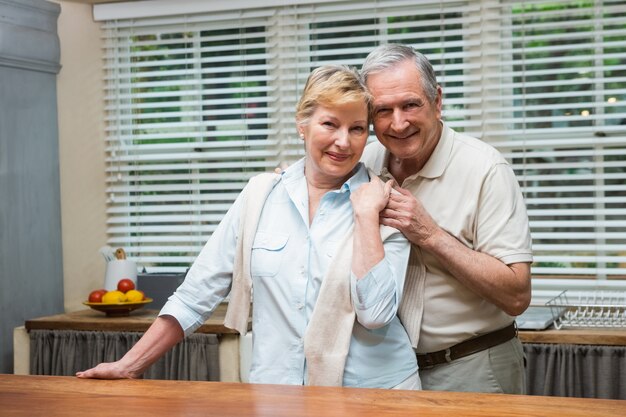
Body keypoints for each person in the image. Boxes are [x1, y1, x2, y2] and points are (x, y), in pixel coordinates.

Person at [77, 65, 419, 389]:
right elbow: (196, 294)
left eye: (357, 128)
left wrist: (364, 215)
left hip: (375, 392)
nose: (343, 142)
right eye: (330, 124)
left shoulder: (385, 201)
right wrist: (129, 365)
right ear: (303, 125)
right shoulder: (260, 195)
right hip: (279, 392)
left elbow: (375, 314)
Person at [359, 44, 533, 394]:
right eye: (383, 110)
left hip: (473, 367)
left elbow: (517, 295)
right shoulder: (363, 162)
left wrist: (431, 235)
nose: (398, 123)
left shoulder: (485, 169)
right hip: (390, 374)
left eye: (410, 104)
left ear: (436, 102)